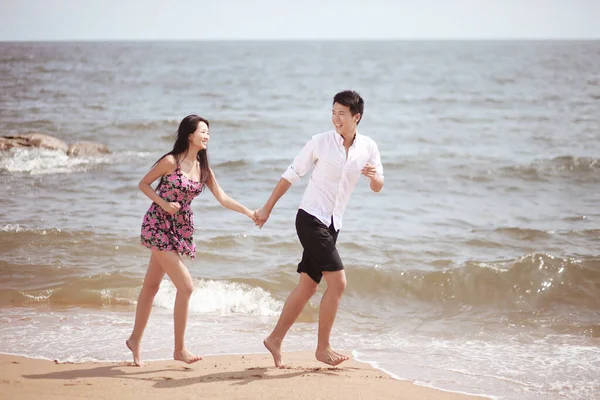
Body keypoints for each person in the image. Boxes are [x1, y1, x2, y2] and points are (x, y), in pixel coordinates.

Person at [255, 90, 384, 368]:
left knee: (308, 285)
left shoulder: (368, 147)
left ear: (356, 117)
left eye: (342, 113)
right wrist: (267, 208)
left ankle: (275, 339)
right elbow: (292, 174)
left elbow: (378, 184)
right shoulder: (320, 142)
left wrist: (374, 178)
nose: (336, 118)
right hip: (310, 218)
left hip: (333, 223)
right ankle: (322, 348)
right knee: (338, 282)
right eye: (333, 112)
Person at [126, 114, 257, 367]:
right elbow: (143, 184)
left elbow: (223, 198)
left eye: (208, 132)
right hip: (158, 224)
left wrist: (250, 212)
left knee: (151, 287)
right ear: (189, 135)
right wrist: (164, 202)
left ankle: (134, 340)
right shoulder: (170, 161)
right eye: (203, 131)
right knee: (186, 286)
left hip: (179, 228)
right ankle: (179, 349)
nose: (207, 136)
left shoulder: (204, 169)